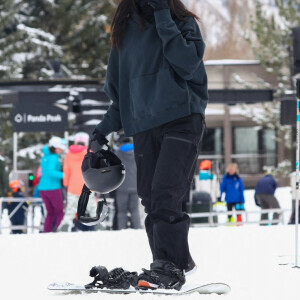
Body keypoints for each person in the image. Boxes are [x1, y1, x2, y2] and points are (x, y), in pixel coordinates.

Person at [92, 0, 207, 290]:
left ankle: (168, 266)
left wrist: (163, 17)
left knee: (166, 192)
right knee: (150, 197)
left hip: (183, 117)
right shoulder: (124, 33)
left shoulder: (181, 22)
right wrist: (100, 132)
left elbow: (188, 64)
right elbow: (120, 95)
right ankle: (170, 263)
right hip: (144, 124)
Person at [61, 132, 97, 232]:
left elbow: (66, 170)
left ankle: (64, 226)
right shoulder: (89, 153)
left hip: (72, 186)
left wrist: (65, 184)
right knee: (92, 207)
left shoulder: (68, 154)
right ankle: (99, 226)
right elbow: (93, 170)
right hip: (87, 185)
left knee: (71, 209)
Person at [38, 136, 65, 233]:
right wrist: (65, 175)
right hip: (53, 188)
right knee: (59, 212)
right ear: (55, 148)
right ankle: (59, 232)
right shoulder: (53, 158)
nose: (62, 149)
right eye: (61, 147)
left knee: (50, 212)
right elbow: (51, 172)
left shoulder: (45, 156)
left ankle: (47, 232)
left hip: (42, 188)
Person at [115, 136, 141, 230]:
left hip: (121, 186)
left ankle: (121, 229)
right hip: (135, 185)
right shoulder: (137, 152)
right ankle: (138, 229)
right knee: (134, 210)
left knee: (122, 211)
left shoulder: (117, 153)